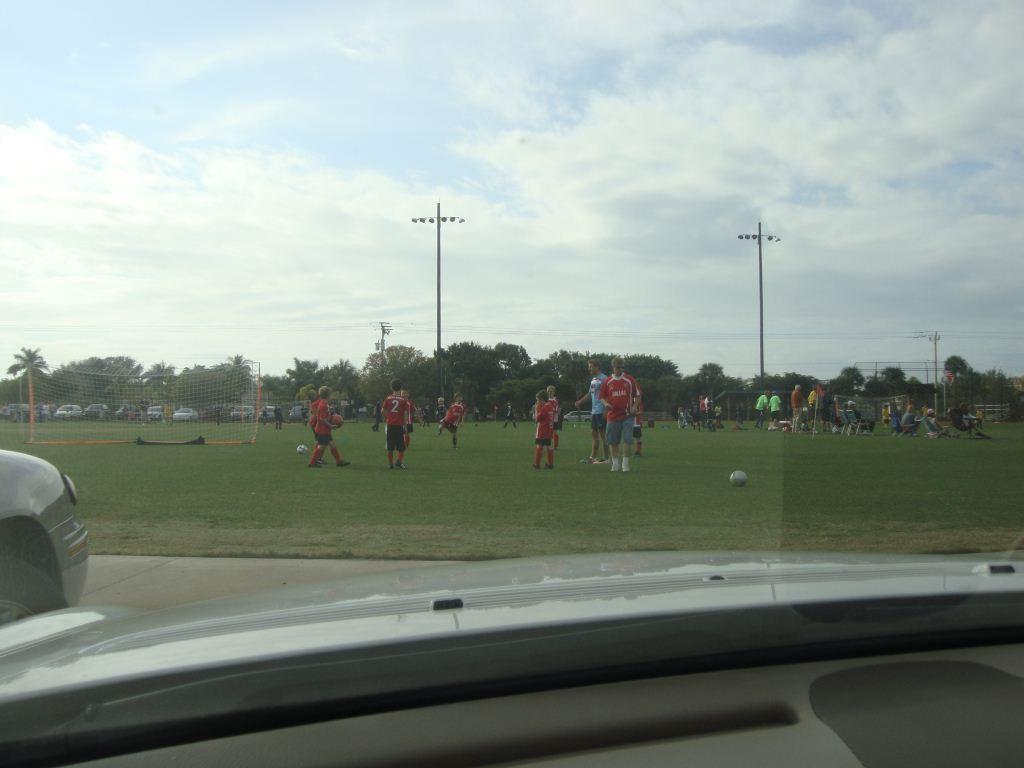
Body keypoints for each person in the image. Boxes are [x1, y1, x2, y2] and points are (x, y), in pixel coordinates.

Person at [599, 357, 639, 472]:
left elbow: (638, 395)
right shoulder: (607, 381)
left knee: (627, 440)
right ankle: (615, 464)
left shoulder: (630, 380)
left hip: (627, 416)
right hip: (612, 416)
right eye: (617, 367)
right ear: (613, 367)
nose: (620, 370)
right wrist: (606, 404)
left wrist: (634, 406)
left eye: (622, 367)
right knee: (613, 442)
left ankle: (625, 464)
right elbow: (601, 397)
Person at [574, 359, 610, 463]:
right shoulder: (593, 380)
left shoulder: (604, 379)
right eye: (588, 366)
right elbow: (590, 394)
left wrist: (606, 410)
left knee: (603, 435)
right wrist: (580, 401)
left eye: (590, 366)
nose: (588, 368)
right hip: (594, 412)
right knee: (594, 434)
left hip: (601, 411)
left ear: (597, 367)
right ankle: (592, 458)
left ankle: (606, 459)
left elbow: (608, 395)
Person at [307, 386, 349, 468]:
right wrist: (331, 425)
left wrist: (332, 418)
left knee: (331, 445)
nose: (332, 396)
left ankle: (339, 461)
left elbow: (324, 416)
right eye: (331, 395)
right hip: (322, 430)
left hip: (324, 430)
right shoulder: (323, 405)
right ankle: (312, 463)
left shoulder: (325, 404)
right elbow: (321, 419)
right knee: (321, 446)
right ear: (328, 395)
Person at [382, 379, 409, 469]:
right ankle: (399, 461)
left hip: (390, 425)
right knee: (401, 446)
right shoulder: (403, 400)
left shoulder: (388, 398)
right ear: (401, 388)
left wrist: (387, 418)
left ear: (391, 388)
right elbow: (405, 414)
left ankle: (390, 464)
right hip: (399, 425)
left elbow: (382, 410)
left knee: (390, 446)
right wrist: (405, 426)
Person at [532, 389, 556, 469]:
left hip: (542, 430)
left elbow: (537, 419)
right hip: (549, 430)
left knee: (539, 446)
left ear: (542, 400)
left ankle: (536, 464)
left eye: (538, 400)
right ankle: (550, 464)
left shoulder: (544, 408)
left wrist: (536, 410)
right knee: (549, 446)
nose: (537, 402)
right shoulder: (550, 406)